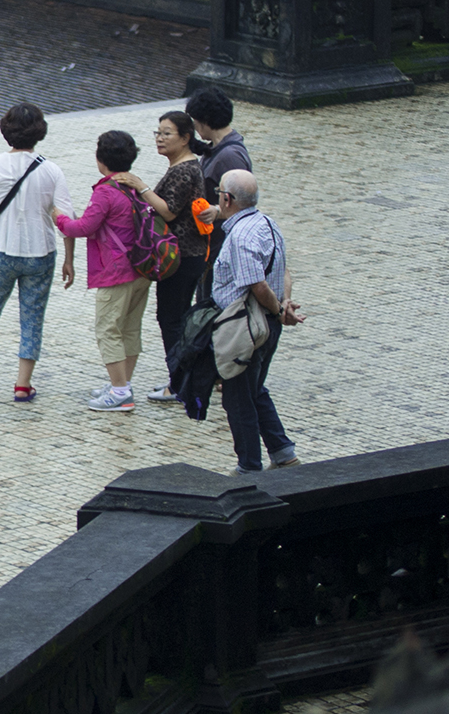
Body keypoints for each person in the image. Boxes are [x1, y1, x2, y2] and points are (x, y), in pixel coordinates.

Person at [0, 103, 75, 403]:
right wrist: (70, 259)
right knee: (32, 318)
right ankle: (22, 384)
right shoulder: (51, 170)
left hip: (1, 251)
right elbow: (67, 219)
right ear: (39, 132)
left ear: (6, 131)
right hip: (41, 252)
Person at [109, 111, 211, 402]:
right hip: (186, 255)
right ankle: (179, 380)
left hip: (182, 256)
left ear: (186, 138)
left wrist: (140, 187)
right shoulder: (183, 166)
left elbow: (168, 210)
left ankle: (180, 383)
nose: (159, 139)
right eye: (157, 133)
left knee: (172, 319)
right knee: (174, 317)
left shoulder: (184, 169)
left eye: (167, 133)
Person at [209, 172, 303, 475]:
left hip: (248, 327)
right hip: (267, 325)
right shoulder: (267, 224)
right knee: (255, 389)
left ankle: (249, 467)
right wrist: (284, 305)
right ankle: (283, 453)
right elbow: (284, 269)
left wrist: (277, 310)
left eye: (219, 192)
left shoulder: (240, 235)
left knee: (237, 398)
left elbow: (257, 285)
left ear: (227, 199)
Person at [51, 130, 151, 413]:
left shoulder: (106, 192)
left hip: (116, 271)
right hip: (141, 270)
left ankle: (120, 392)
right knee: (130, 328)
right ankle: (123, 384)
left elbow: (83, 227)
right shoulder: (135, 188)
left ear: (100, 160)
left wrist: (59, 218)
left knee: (108, 329)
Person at [186, 86, 252, 206]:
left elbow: (241, 204)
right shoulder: (215, 146)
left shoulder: (230, 156)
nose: (194, 126)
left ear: (204, 120)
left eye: (194, 120)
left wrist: (216, 212)